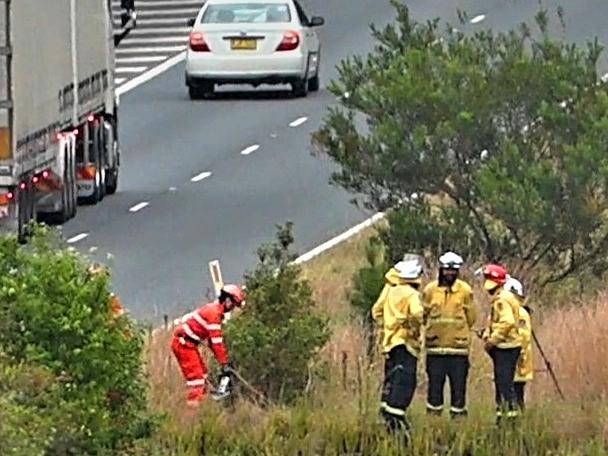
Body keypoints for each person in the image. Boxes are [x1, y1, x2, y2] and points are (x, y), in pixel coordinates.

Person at [371, 254, 425, 435]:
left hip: (390, 343)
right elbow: (417, 314)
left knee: (391, 380)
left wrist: (387, 326)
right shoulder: (411, 294)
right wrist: (414, 327)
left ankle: (386, 418)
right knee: (405, 381)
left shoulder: (390, 290)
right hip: (405, 343)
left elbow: (377, 311)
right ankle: (397, 422)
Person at [422, 251, 476, 418]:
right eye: (446, 270)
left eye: (453, 270)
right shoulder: (430, 290)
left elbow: (471, 318)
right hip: (435, 349)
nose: (450, 273)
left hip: (458, 350)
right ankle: (434, 423)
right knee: (434, 391)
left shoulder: (465, 290)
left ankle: (458, 424)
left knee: (459, 391)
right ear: (441, 269)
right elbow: (422, 315)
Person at [171, 284, 245, 406]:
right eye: (233, 304)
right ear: (227, 300)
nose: (232, 308)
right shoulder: (214, 314)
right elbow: (216, 343)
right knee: (197, 382)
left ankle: (198, 407)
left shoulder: (214, 310)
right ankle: (191, 414)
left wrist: (223, 362)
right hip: (184, 345)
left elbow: (212, 342)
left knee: (203, 377)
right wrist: (224, 363)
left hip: (188, 344)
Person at [480, 264, 522, 424]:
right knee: (504, 383)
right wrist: (487, 332)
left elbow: (507, 322)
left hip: (506, 348)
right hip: (510, 346)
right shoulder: (508, 297)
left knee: (504, 385)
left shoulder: (501, 300)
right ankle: (502, 417)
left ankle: (508, 422)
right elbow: (496, 321)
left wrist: (492, 340)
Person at [504, 277, 533, 410]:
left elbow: (523, 336)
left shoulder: (520, 313)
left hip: (517, 360)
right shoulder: (509, 310)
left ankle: (517, 420)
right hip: (511, 359)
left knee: (516, 394)